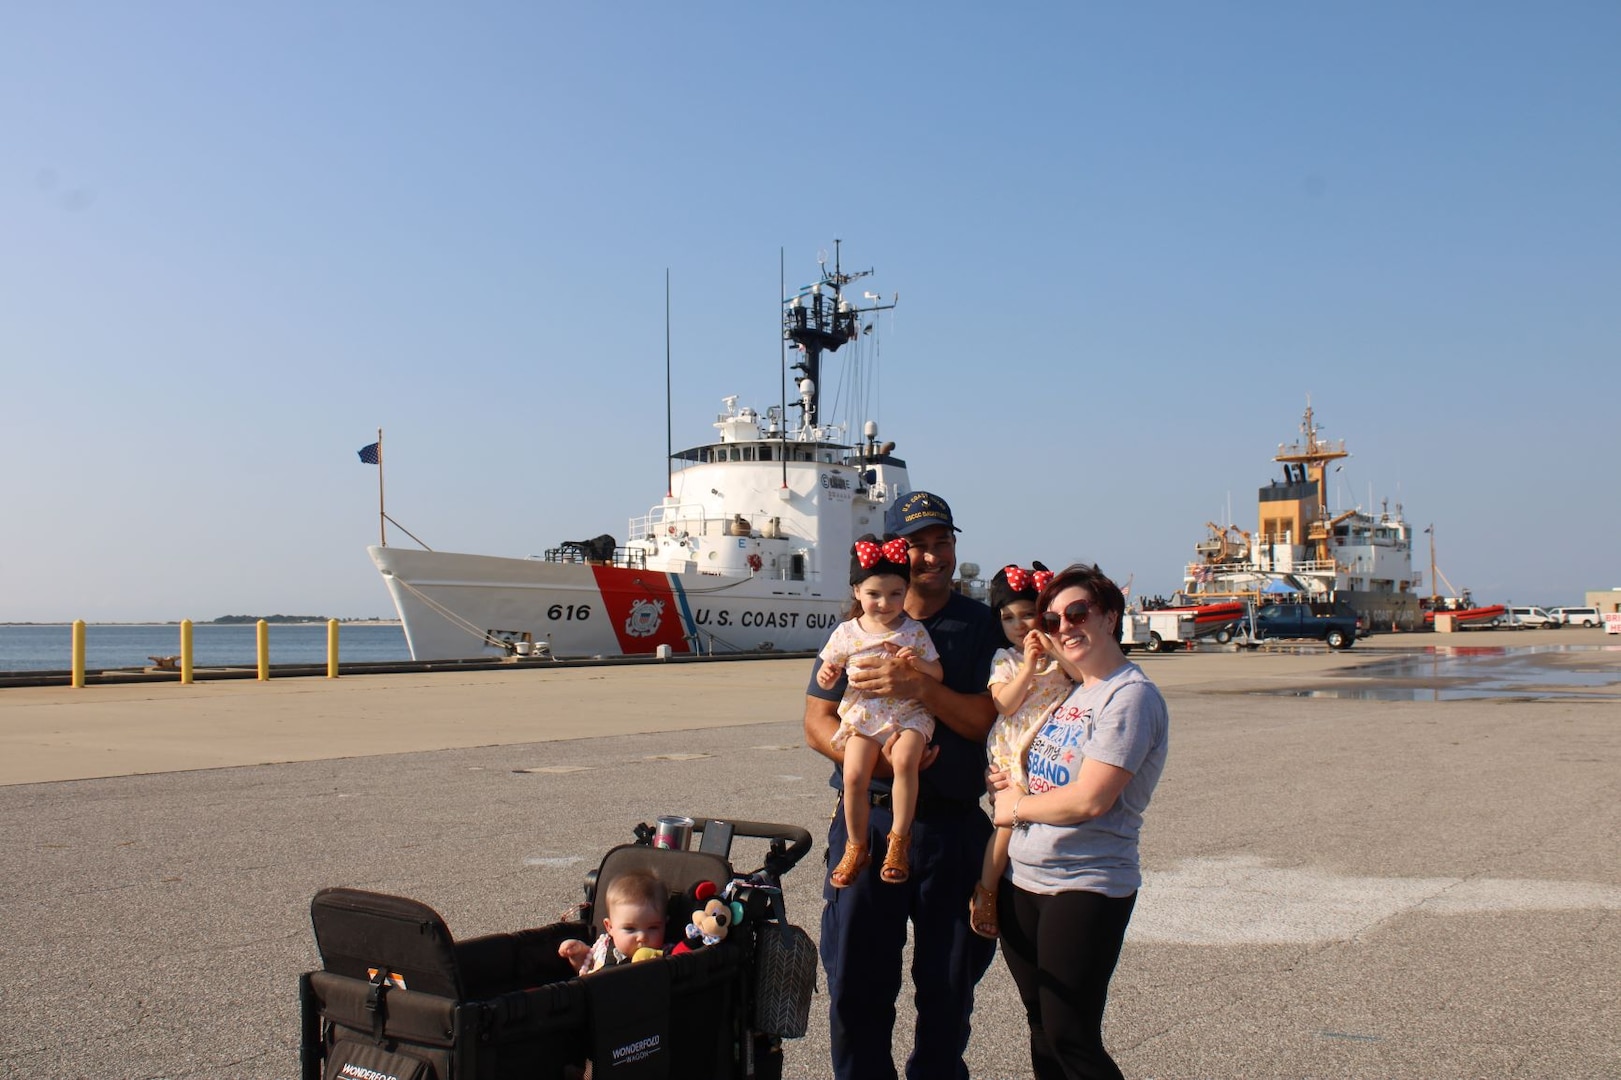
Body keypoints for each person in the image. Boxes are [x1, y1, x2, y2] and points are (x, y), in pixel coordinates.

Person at [804, 490, 1003, 1080]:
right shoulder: (855, 624)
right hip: (871, 817)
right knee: (856, 979)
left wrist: (919, 686)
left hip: (948, 827)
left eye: (943, 542)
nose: (933, 557)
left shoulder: (980, 626)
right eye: (917, 545)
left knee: (948, 982)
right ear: (894, 553)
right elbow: (816, 722)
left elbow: (985, 720)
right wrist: (876, 762)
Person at [989, 564, 1170, 1080]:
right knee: (1042, 1028)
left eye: (1077, 613)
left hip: (1086, 882)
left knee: (1072, 1035)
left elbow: (1091, 799)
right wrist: (1006, 778)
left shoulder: (1128, 696)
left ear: (1110, 616)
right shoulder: (1073, 691)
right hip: (1024, 879)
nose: (1064, 626)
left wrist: (1014, 810)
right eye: (1052, 618)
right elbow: (1034, 763)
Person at [818, 534, 945, 889]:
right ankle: (856, 846)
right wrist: (829, 674)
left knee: (905, 761)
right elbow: (828, 679)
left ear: (906, 592)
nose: (885, 603)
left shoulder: (913, 631)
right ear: (857, 592)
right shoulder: (846, 633)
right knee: (853, 775)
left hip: (908, 714)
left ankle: (898, 841)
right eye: (874, 594)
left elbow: (937, 673)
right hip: (864, 715)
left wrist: (917, 663)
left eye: (894, 593)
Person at [969, 562, 1073, 940]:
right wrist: (1029, 665)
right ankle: (987, 889)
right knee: (1008, 822)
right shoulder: (1006, 659)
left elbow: (1081, 677)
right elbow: (1005, 704)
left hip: (1052, 747)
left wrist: (1053, 650)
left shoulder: (1060, 653)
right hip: (1013, 750)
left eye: (1027, 614)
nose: (1018, 625)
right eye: (1008, 618)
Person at [558, 870, 667, 975]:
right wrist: (579, 954)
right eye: (630, 929)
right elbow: (586, 970)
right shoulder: (604, 948)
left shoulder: (667, 955)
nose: (642, 937)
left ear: (665, 925)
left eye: (653, 927)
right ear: (610, 927)